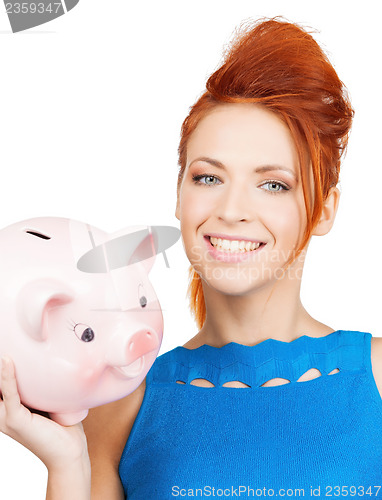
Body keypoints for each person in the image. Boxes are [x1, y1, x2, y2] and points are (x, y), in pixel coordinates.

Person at [1, 17, 382, 500]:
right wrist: (67, 460)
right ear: (179, 197)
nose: (231, 210)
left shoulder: (376, 379)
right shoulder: (122, 406)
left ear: (324, 209)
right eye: (207, 178)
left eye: (273, 184)